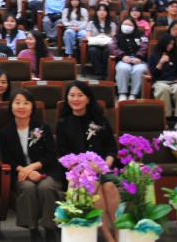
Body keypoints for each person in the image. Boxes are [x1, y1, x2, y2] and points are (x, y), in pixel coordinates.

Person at [56, 81, 119, 242]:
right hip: (77, 172)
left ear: (88, 99)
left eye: (80, 95)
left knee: (109, 186)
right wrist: (83, 167)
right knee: (94, 185)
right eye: (72, 95)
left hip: (102, 169)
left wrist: (104, 165)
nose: (75, 99)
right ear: (67, 98)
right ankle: (108, 235)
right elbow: (63, 153)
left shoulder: (100, 121)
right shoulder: (63, 123)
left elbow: (111, 148)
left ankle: (118, 232)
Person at [0, 89, 62, 242]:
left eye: (26, 103)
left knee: (46, 187)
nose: (21, 106)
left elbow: (51, 155)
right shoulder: (6, 132)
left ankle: (50, 228)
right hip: (21, 174)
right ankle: (33, 229)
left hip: (45, 171)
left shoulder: (42, 128)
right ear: (11, 106)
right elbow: (7, 159)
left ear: (32, 107)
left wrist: (32, 168)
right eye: (17, 102)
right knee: (27, 188)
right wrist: (24, 171)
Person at [148, 32, 177, 129]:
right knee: (164, 89)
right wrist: (161, 62)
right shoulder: (154, 55)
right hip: (159, 82)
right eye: (169, 44)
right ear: (163, 43)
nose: (171, 46)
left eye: (172, 44)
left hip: (174, 82)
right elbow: (153, 74)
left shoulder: (175, 56)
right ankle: (165, 118)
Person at [111, 18, 148, 101]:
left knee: (140, 70)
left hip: (138, 60)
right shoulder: (117, 36)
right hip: (123, 59)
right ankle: (122, 93)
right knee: (123, 68)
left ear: (134, 26)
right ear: (121, 25)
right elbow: (113, 48)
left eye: (130, 25)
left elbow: (144, 47)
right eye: (125, 24)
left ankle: (133, 94)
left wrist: (139, 57)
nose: (127, 26)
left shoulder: (141, 36)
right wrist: (122, 56)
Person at [85, 4, 116, 79]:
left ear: (107, 12)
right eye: (99, 10)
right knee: (93, 51)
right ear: (96, 12)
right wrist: (98, 37)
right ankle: (99, 72)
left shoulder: (112, 24)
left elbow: (114, 37)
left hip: (107, 44)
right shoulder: (91, 23)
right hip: (94, 44)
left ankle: (105, 72)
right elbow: (88, 36)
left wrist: (105, 36)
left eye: (104, 10)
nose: (102, 12)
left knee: (108, 51)